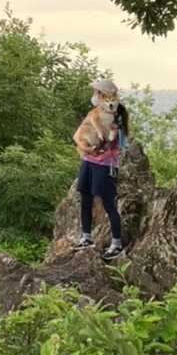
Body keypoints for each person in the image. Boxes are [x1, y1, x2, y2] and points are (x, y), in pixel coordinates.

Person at [73, 78, 128, 259]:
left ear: (106, 95)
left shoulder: (116, 117)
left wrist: (109, 135)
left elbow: (115, 141)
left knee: (108, 203)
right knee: (85, 198)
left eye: (97, 92)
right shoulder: (96, 113)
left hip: (105, 164)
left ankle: (116, 244)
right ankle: (86, 237)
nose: (95, 95)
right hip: (89, 160)